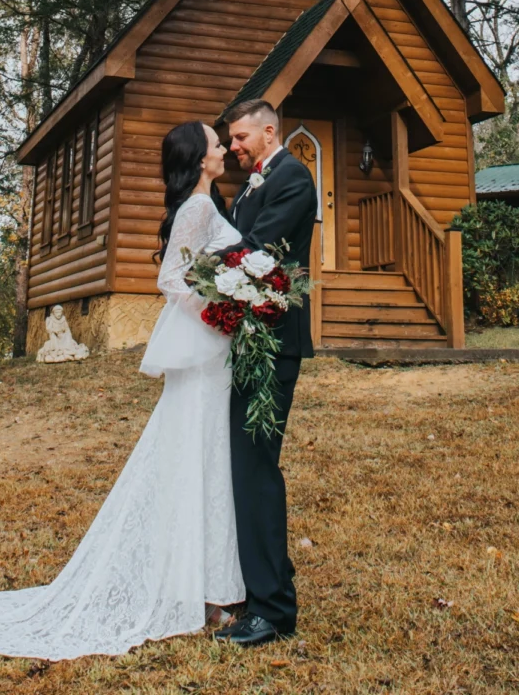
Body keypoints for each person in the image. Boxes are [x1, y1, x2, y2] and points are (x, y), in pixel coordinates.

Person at [0, 120, 244, 661]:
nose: (223, 150)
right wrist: (218, 312)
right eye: (216, 144)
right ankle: (201, 590)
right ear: (199, 157)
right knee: (200, 458)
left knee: (204, 458)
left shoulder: (210, 205)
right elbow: (172, 279)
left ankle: (205, 585)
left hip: (213, 355)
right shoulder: (197, 208)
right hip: (208, 349)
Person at [214, 98, 317, 649]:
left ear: (269, 130)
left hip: (273, 344)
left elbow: (259, 252)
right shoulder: (254, 182)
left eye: (239, 137)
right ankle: (268, 584)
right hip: (248, 338)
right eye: (229, 140)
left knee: (256, 468)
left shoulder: (293, 178)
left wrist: (206, 270)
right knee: (246, 466)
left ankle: (273, 611)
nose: (234, 147)